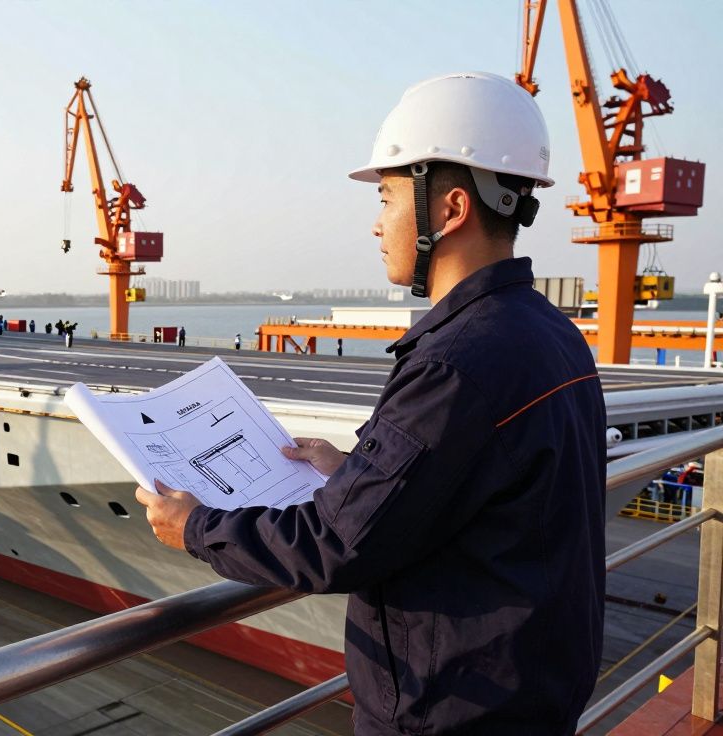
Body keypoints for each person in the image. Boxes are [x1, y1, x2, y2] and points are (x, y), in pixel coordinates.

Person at [134, 72, 604, 735]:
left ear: (451, 210)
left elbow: (332, 546)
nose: (376, 222)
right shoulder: (551, 333)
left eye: (387, 197)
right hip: (529, 701)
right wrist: (356, 474)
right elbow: (481, 489)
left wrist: (197, 526)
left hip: (449, 716)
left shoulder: (454, 363)